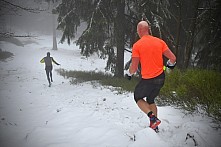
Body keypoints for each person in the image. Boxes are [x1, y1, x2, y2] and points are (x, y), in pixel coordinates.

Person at [125, 21, 176, 132]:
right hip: (161, 78)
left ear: (139, 31)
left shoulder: (137, 45)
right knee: (150, 99)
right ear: (148, 29)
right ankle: (155, 127)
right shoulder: (160, 42)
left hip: (148, 79)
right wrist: (169, 67)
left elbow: (133, 67)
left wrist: (129, 74)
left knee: (138, 97)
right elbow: (173, 58)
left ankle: (152, 118)